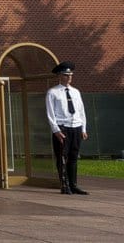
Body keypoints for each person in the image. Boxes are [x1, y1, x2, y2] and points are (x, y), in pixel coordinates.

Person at [45, 61, 89, 195]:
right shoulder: (53, 92)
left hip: (75, 126)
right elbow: (50, 113)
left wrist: (83, 128)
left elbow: (81, 111)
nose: (69, 77)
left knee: (74, 157)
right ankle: (65, 185)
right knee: (62, 157)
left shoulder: (75, 92)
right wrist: (56, 130)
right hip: (62, 128)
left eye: (70, 75)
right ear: (59, 76)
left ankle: (73, 184)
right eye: (66, 75)